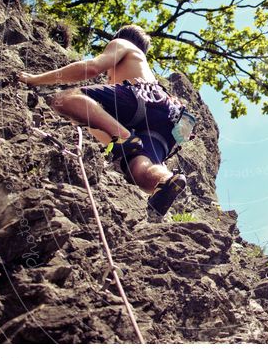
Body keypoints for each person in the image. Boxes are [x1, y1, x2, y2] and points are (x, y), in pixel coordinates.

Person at [17, 24, 187, 215]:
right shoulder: (142, 68)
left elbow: (92, 68)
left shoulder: (123, 43)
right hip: (169, 120)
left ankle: (122, 137)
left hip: (142, 100)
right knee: (138, 169)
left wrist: (35, 79)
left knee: (63, 99)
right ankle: (166, 180)